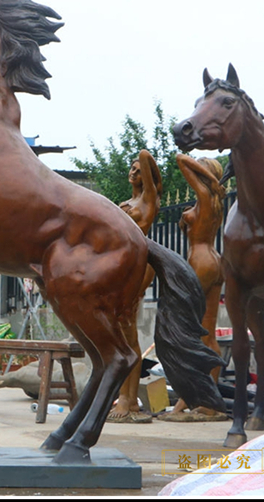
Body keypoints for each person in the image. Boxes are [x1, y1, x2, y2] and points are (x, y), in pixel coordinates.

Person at [159, 155, 227, 421]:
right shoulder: (212, 200)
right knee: (207, 334)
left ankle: (190, 399)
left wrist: (207, 177)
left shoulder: (207, 193)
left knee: (188, 334)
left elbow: (180, 158)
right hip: (215, 261)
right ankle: (210, 402)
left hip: (200, 261)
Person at [107, 149, 162, 422]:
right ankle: (125, 397)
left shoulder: (149, 199)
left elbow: (145, 154)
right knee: (119, 333)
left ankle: (129, 400)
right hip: (121, 266)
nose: (133, 172)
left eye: (139, 170)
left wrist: (144, 160)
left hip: (138, 267)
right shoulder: (123, 203)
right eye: (131, 168)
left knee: (129, 334)